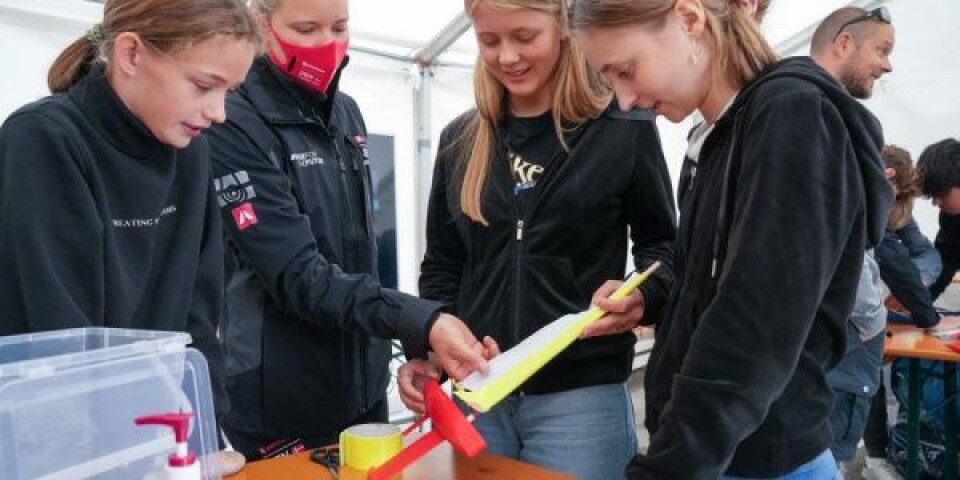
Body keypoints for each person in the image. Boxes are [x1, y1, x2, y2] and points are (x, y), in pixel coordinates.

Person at [570, 0, 893, 478]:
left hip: (758, 456)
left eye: (626, 70)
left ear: (688, 18)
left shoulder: (790, 115)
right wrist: (653, 298)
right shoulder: (715, 135)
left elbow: (755, 323)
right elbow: (713, 274)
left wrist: (668, 468)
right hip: (719, 449)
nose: (624, 99)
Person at [205, 0, 494, 461]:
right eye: (306, 28)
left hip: (363, 391)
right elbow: (297, 274)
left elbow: (361, 259)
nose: (328, 43)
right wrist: (423, 318)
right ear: (261, 24)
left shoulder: (347, 114)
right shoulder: (234, 119)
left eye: (339, 26)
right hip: (279, 402)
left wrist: (412, 346)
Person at [397, 1, 676, 478]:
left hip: (581, 401)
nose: (507, 56)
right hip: (478, 394)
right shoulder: (460, 139)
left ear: (564, 27)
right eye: (489, 41)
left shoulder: (622, 126)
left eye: (524, 37)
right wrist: (428, 352)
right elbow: (442, 265)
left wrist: (644, 298)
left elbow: (665, 250)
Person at [0, 0, 256, 438]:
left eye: (228, 92)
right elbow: (59, 340)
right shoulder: (44, 140)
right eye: (202, 86)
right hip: (63, 442)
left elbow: (199, 322)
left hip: (158, 438)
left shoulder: (191, 152)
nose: (219, 113)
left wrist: (204, 439)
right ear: (131, 54)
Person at [807, 6, 897, 474]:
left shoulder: (833, 121)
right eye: (881, 50)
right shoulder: (821, 121)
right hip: (817, 350)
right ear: (843, 43)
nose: (887, 66)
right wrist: (868, 322)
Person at [919, 138, 960, 301]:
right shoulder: (951, 216)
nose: (935, 203)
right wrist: (918, 300)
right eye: (932, 195)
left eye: (941, 194)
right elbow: (947, 262)